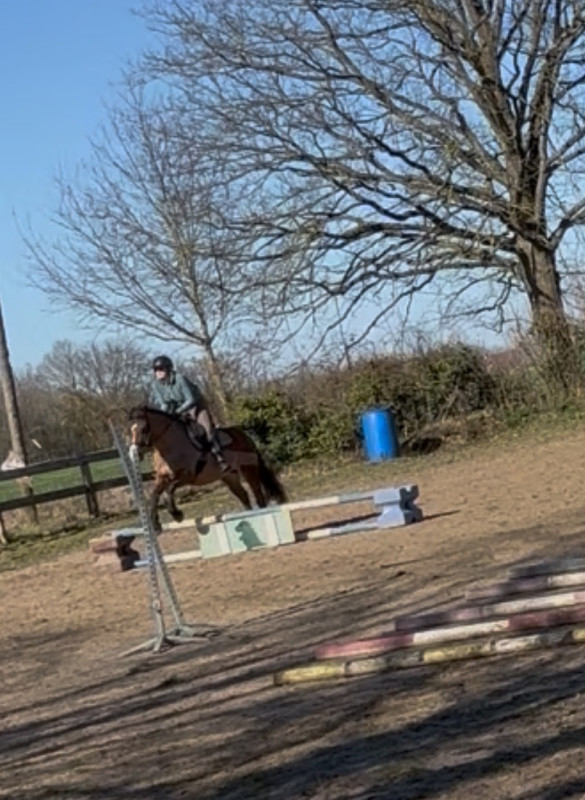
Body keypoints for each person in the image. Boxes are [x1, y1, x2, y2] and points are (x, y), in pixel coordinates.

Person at [148, 355, 229, 472]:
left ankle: (219, 457)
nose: (158, 372)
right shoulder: (156, 385)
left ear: (168, 369)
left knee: (207, 431)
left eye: (161, 369)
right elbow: (163, 404)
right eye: (156, 370)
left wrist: (177, 411)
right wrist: (164, 416)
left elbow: (191, 400)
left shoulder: (180, 379)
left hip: (196, 407)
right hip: (176, 411)